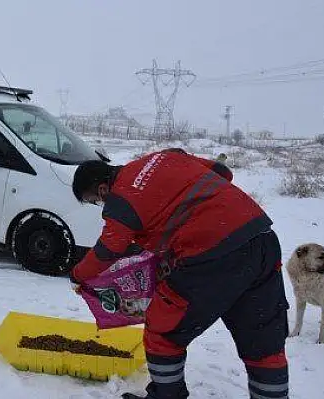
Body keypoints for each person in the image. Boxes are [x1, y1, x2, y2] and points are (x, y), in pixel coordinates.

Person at [69, 148, 289, 399]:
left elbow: (108, 249)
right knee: (262, 340)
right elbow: (222, 172)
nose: (101, 205)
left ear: (102, 190)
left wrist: (78, 274)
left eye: (95, 201)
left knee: (162, 331)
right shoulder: (165, 157)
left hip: (211, 254)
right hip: (260, 238)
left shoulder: (120, 200)